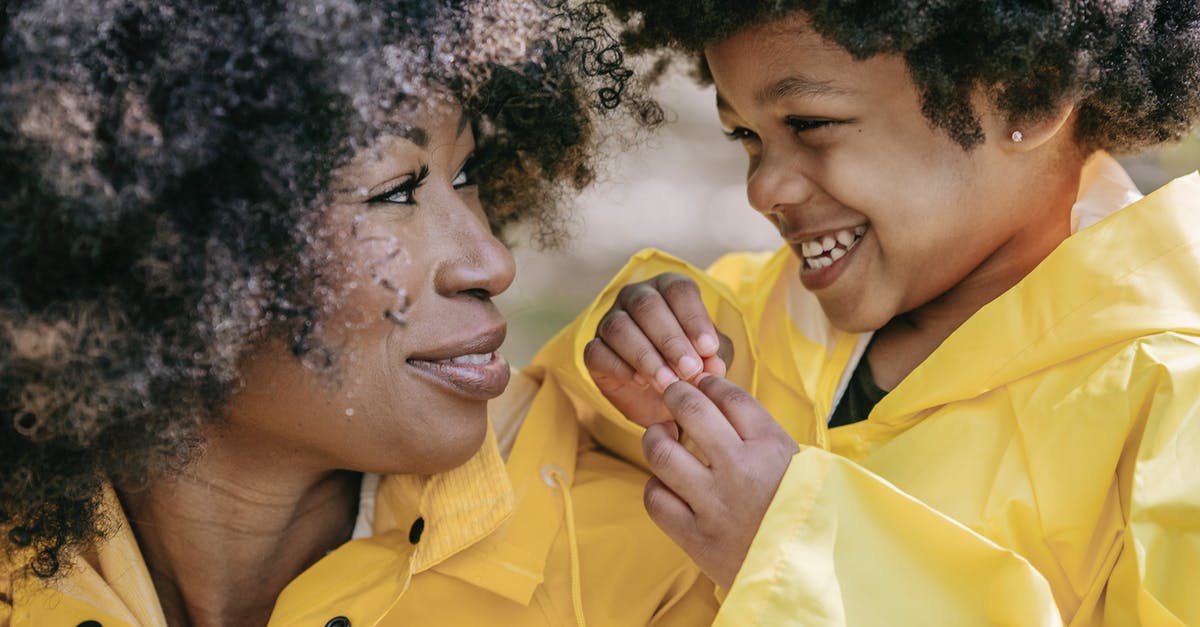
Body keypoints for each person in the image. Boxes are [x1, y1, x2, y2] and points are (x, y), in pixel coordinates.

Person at [0, 1, 716, 625]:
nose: (491, 260)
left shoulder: (645, 567)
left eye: (464, 176)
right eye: (394, 191)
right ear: (167, 256)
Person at [531, 1, 1200, 624]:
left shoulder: (1170, 403)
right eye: (746, 135)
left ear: (1026, 90)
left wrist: (797, 552)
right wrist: (619, 373)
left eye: (809, 123)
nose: (762, 187)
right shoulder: (748, 317)